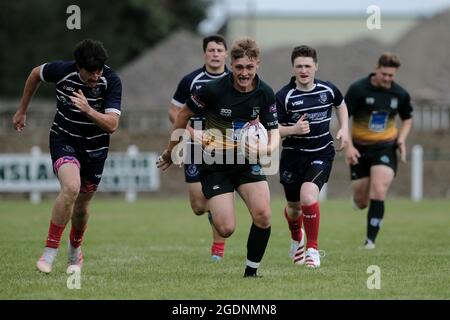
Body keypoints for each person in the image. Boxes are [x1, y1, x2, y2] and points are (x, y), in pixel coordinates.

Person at [157, 37, 280, 277]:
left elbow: (274, 131)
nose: (244, 73)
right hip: (215, 164)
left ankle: (251, 272)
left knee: (263, 215)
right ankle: (221, 209)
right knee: (225, 228)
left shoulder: (265, 92)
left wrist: (265, 150)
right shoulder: (212, 89)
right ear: (231, 65)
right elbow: (182, 115)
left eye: (250, 67)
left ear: (258, 64)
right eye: (239, 67)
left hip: (247, 162)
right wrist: (172, 150)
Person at [12, 39, 122, 273]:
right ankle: (50, 252)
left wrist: (89, 110)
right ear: (78, 67)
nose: (95, 76)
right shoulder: (62, 71)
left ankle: (75, 251)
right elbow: (34, 74)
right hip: (64, 139)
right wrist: (22, 110)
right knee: (71, 187)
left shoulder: (111, 81)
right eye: (90, 72)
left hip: (95, 148)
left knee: (81, 208)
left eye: (99, 71)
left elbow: (112, 125)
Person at [276, 45, 350, 268]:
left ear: (316, 67)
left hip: (321, 154)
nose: (304, 70)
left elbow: (341, 104)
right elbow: (271, 129)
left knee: (308, 197)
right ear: (293, 68)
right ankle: (296, 239)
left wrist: (344, 128)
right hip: (292, 157)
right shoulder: (284, 96)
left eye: (308, 66)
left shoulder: (327, 90)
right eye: (299, 66)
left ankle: (313, 250)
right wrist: (292, 130)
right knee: (294, 208)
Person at [168, 35, 229, 261]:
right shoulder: (191, 80)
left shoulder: (234, 79)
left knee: (216, 196)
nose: (215, 54)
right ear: (205, 53)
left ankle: (217, 250)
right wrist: (192, 132)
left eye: (219, 50)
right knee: (198, 206)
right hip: (194, 146)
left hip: (223, 148)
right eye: (211, 50)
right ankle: (212, 214)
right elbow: (173, 112)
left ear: (225, 54)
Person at [345, 52, 413, 249]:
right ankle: (358, 201)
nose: (387, 79)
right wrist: (348, 145)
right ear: (376, 69)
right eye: (384, 74)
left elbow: (407, 118)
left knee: (379, 189)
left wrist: (401, 139)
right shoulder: (358, 89)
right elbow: (344, 118)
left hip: (385, 147)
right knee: (361, 200)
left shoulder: (400, 94)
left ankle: (370, 241)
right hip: (359, 149)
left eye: (391, 75)